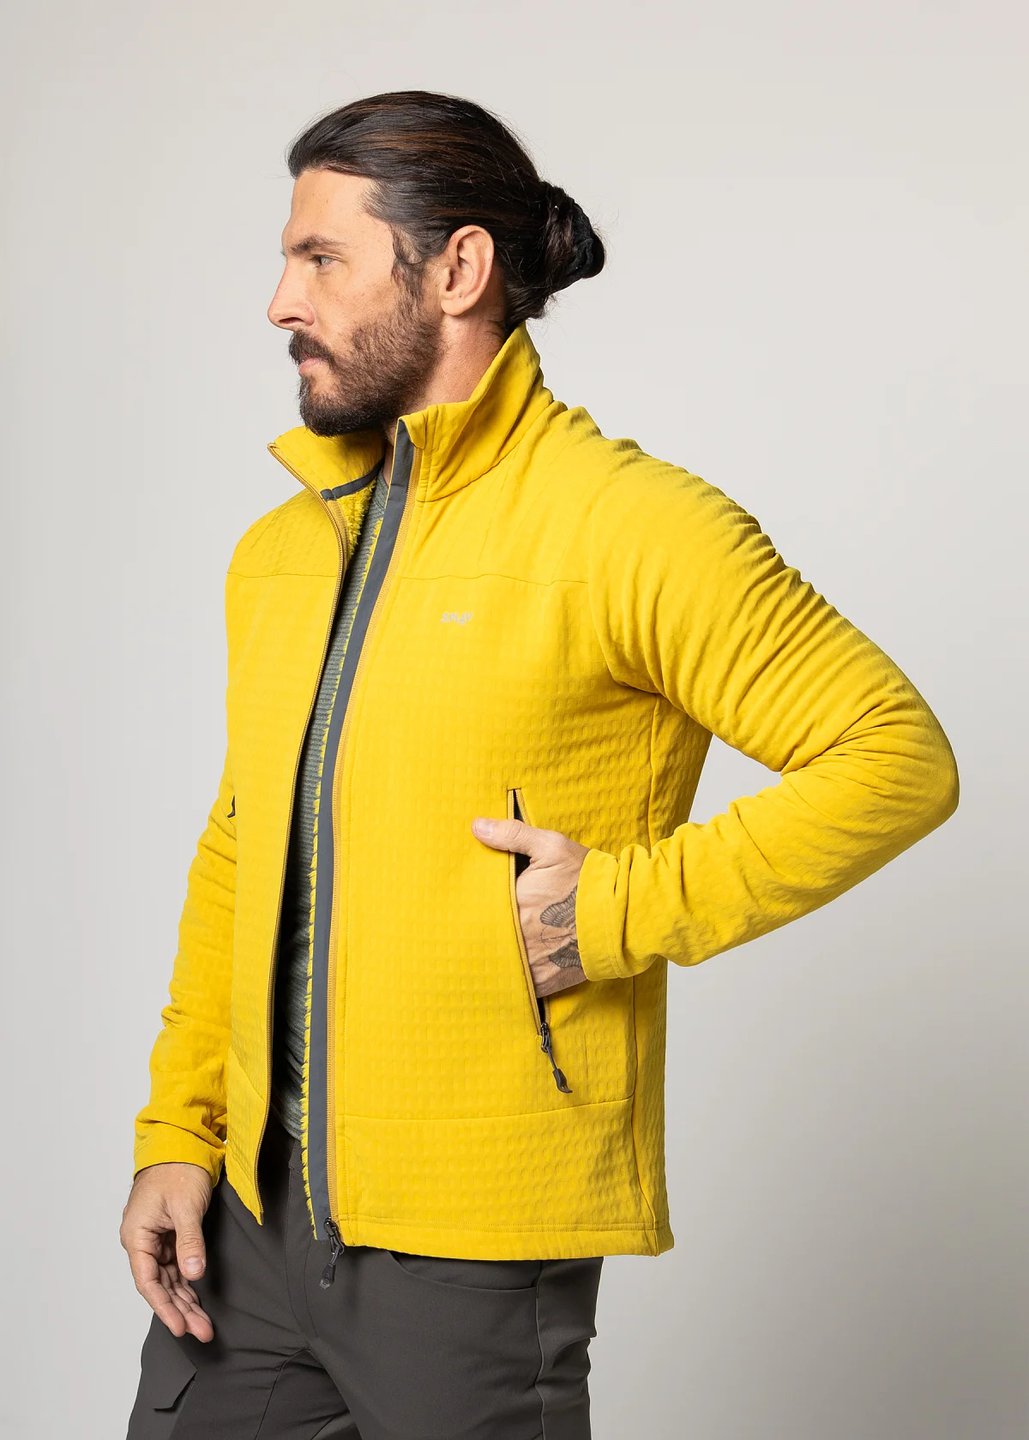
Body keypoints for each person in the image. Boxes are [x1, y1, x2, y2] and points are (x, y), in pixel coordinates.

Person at [120, 88, 960, 1439]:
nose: (280, 302)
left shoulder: (631, 528)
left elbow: (893, 756)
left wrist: (614, 911)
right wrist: (179, 1131)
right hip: (251, 1230)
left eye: (322, 258)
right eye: (286, 260)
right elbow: (241, 848)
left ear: (457, 268)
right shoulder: (280, 553)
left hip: (474, 1244)